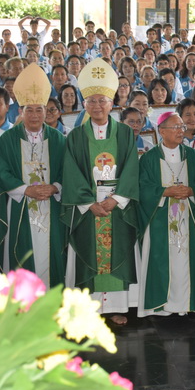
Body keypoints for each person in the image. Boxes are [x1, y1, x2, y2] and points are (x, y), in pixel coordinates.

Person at [61, 58, 141, 324]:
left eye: (102, 101)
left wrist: (116, 199)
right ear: (84, 104)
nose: (97, 105)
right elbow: (71, 172)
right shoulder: (75, 136)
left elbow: (131, 168)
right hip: (89, 208)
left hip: (116, 207)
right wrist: (88, 203)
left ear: (112, 103)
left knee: (117, 251)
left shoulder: (125, 134)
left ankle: (116, 307)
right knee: (90, 255)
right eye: (92, 101)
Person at [0, 63, 66, 288]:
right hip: (20, 208)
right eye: (29, 110)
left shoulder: (58, 139)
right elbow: (1, 171)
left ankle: (51, 301)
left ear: (46, 111)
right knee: (21, 252)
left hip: (51, 207)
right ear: (20, 112)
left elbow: (67, 170)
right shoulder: (8, 139)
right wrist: (26, 189)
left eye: (39, 110)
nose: (34, 115)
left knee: (51, 254)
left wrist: (55, 187)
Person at [136, 112, 195, 317]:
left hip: (188, 217)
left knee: (187, 261)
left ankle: (187, 304)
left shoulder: (192, 156)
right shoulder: (149, 159)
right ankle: (162, 306)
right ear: (162, 131)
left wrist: (192, 191)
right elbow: (142, 187)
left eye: (182, 127)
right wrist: (164, 192)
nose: (181, 131)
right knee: (161, 261)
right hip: (159, 218)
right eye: (175, 127)